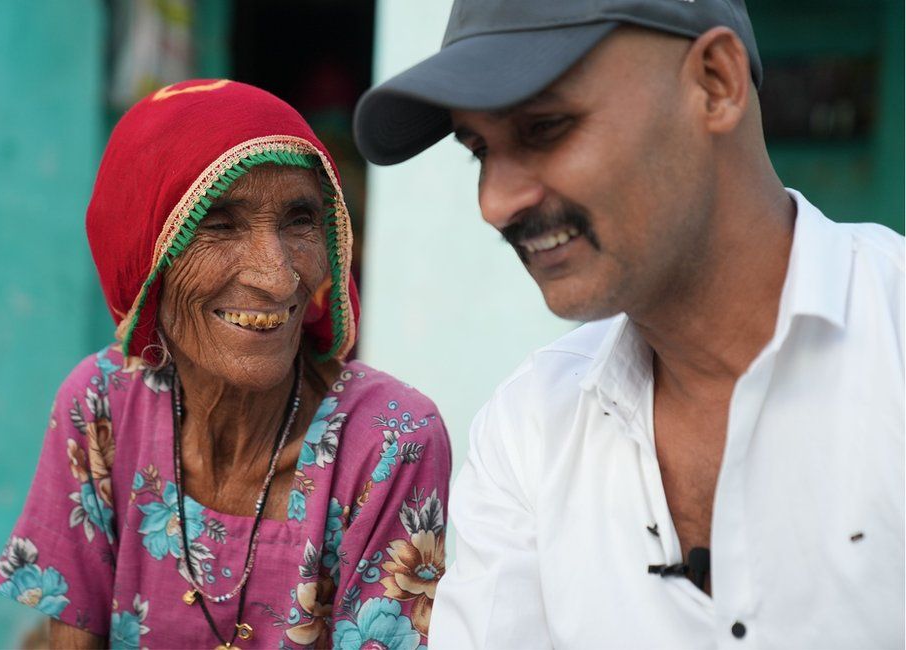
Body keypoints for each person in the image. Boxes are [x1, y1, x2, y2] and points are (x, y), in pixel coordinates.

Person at [354, 1, 905, 647]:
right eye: (479, 151)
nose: (495, 203)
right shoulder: (530, 430)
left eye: (546, 128)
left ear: (715, 83)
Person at [0, 80, 450, 649]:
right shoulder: (103, 405)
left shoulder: (389, 441)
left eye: (300, 219)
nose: (278, 276)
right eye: (220, 224)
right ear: (147, 256)